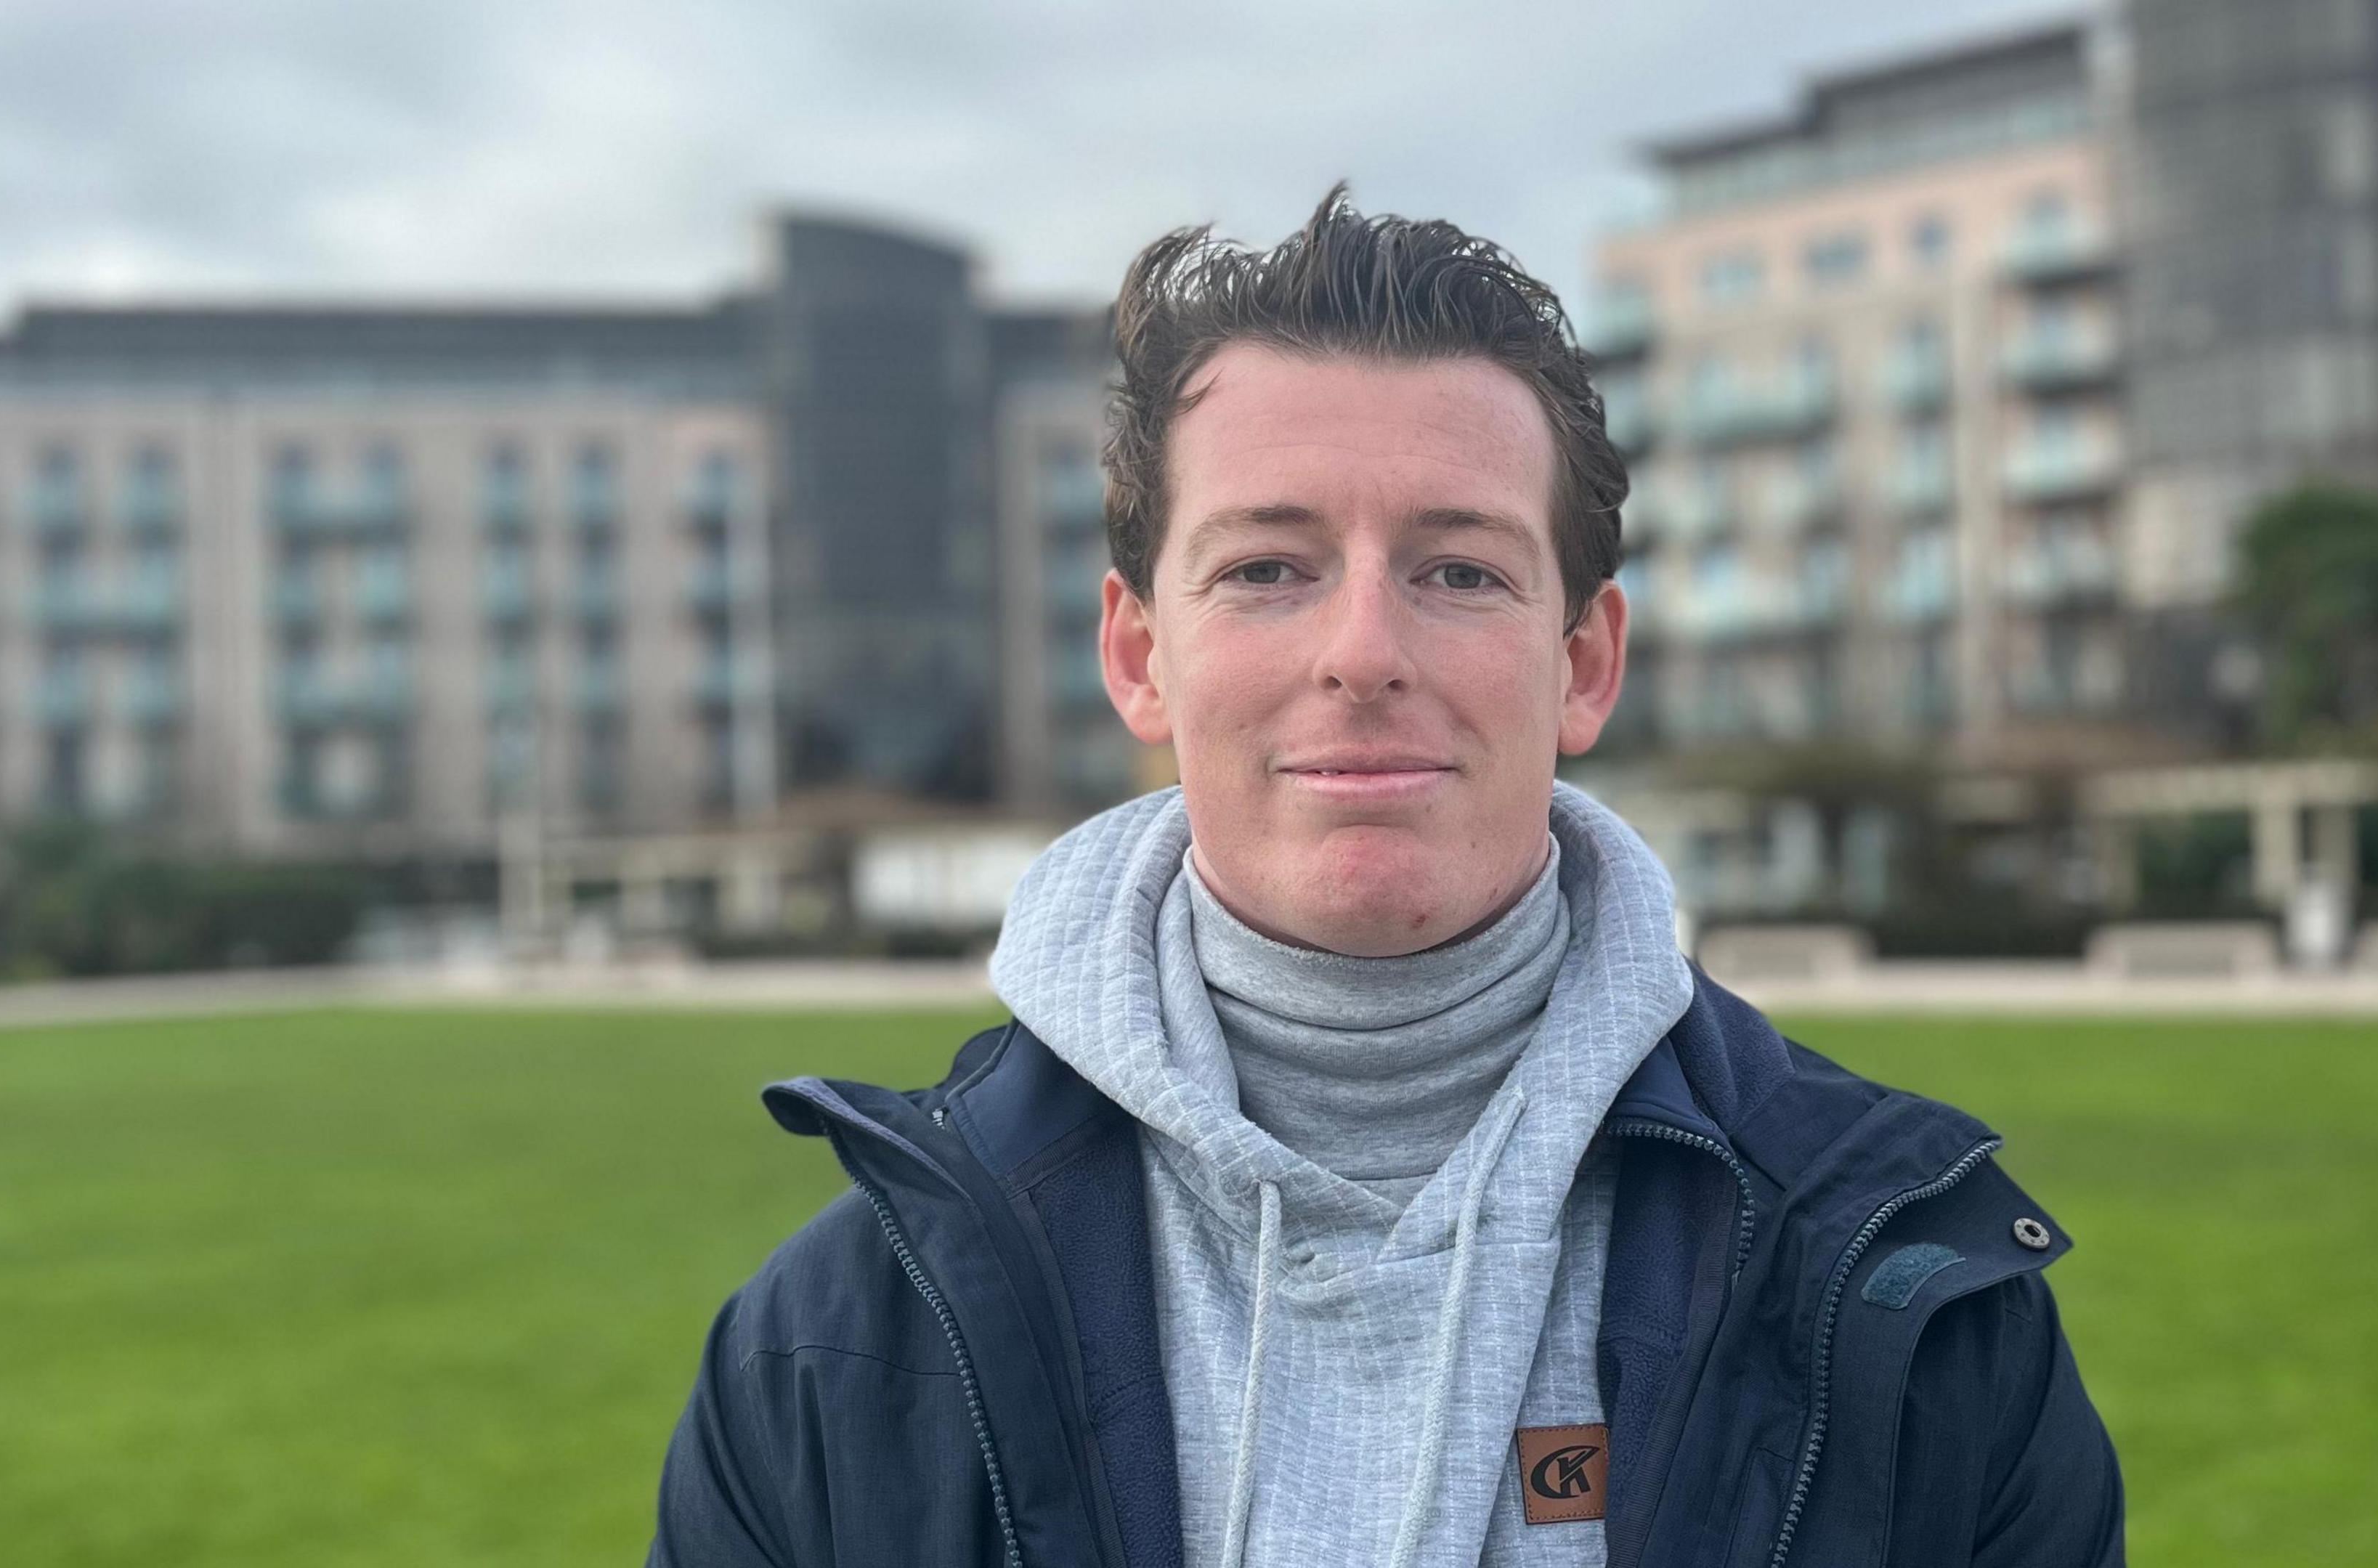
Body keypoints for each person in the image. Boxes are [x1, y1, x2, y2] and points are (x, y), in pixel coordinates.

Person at [648, 186, 2124, 1568]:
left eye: (1460, 570)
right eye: (1268, 570)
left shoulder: (1917, 1309)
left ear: (1585, 663)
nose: (1363, 651)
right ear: (1138, 654)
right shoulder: (830, 1352)